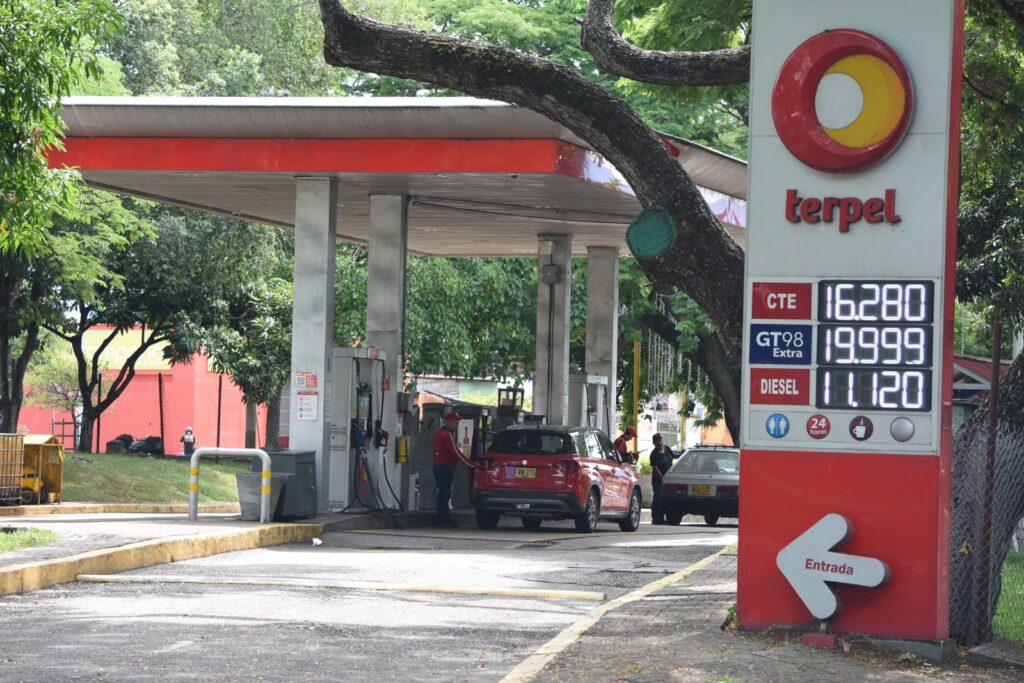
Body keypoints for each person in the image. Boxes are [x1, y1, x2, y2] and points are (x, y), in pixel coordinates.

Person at [432, 411, 472, 527]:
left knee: (444, 493)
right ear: (448, 422)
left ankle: (445, 519)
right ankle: (442, 520)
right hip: (445, 467)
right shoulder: (447, 435)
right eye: (456, 422)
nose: (458, 424)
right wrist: (470, 464)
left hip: (439, 466)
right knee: (444, 494)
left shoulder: (440, 433)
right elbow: (456, 452)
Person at [649, 433, 677, 525]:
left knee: (665, 499)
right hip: (658, 481)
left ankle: (663, 518)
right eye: (657, 441)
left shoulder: (667, 449)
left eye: (660, 440)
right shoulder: (654, 454)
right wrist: (662, 478)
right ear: (654, 443)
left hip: (668, 480)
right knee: (658, 498)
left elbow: (675, 455)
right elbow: (655, 469)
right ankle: (656, 518)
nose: (659, 443)